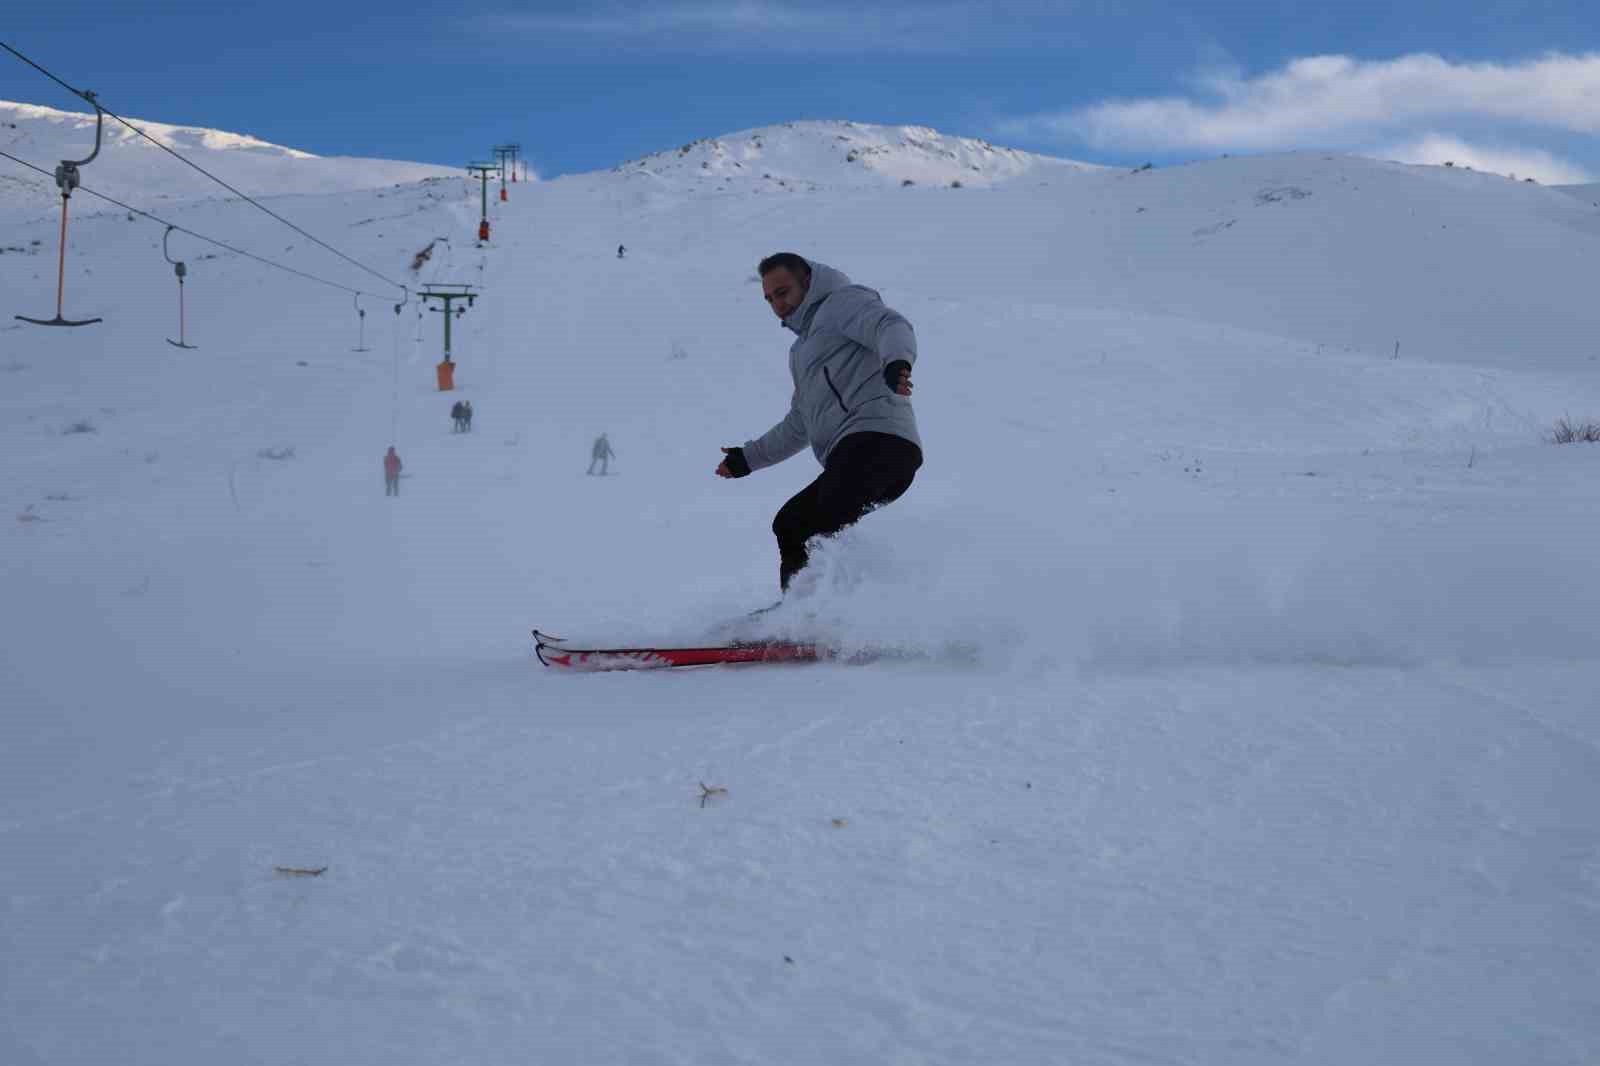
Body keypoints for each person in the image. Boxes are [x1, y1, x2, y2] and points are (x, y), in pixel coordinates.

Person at [717, 253, 921, 592]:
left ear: (808, 283)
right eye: (769, 298)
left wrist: (896, 360)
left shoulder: (841, 302)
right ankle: (813, 616)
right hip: (856, 454)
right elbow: (800, 422)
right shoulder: (802, 351)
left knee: (820, 522)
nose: (777, 305)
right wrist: (748, 458)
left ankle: (815, 620)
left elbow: (890, 325)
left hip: (878, 442)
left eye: (783, 292)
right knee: (792, 524)